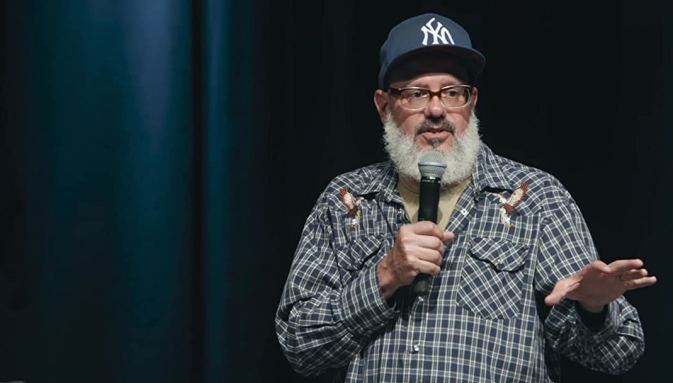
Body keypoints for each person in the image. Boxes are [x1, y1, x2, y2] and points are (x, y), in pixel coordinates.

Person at [275, 13, 656, 382]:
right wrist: (384, 277)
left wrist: (593, 308)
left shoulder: (535, 198)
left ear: (471, 101)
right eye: (415, 93)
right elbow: (299, 347)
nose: (437, 109)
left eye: (452, 92)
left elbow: (619, 353)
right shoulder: (346, 200)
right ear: (384, 106)